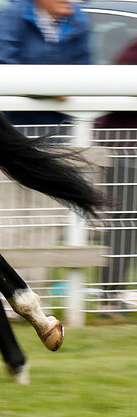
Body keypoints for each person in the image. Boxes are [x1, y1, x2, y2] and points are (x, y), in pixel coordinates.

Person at [0, 0, 91, 130]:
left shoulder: (79, 20)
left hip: (60, 128)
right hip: (15, 127)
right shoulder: (12, 17)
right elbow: (1, 68)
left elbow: (84, 68)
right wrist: (50, 90)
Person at [95, 37, 137, 305]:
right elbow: (114, 93)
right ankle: (110, 298)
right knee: (123, 225)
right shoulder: (133, 50)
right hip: (124, 149)